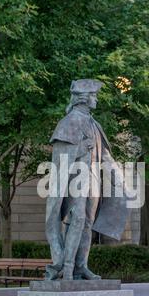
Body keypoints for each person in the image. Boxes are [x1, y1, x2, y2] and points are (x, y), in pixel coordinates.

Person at [45, 79, 130, 280]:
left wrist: (118, 178)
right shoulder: (68, 123)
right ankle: (66, 266)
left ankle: (81, 265)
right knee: (78, 219)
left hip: (93, 181)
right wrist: (81, 148)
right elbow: (60, 160)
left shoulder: (94, 124)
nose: (96, 99)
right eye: (93, 96)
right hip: (76, 180)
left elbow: (106, 156)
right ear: (83, 99)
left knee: (87, 222)